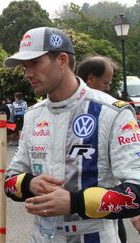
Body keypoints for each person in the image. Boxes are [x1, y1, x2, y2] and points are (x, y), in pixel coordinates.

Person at [3, 27, 140, 242]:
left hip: (95, 235)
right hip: (42, 236)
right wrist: (29, 183)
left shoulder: (113, 112)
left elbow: (137, 192)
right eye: (25, 66)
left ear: (62, 60)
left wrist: (75, 202)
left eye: (35, 63)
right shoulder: (33, 116)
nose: (28, 73)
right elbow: (9, 181)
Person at [77, 55, 127, 242]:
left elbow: (128, 163)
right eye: (106, 82)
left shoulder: (113, 112)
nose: (108, 87)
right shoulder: (53, 112)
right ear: (90, 78)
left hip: (106, 211)